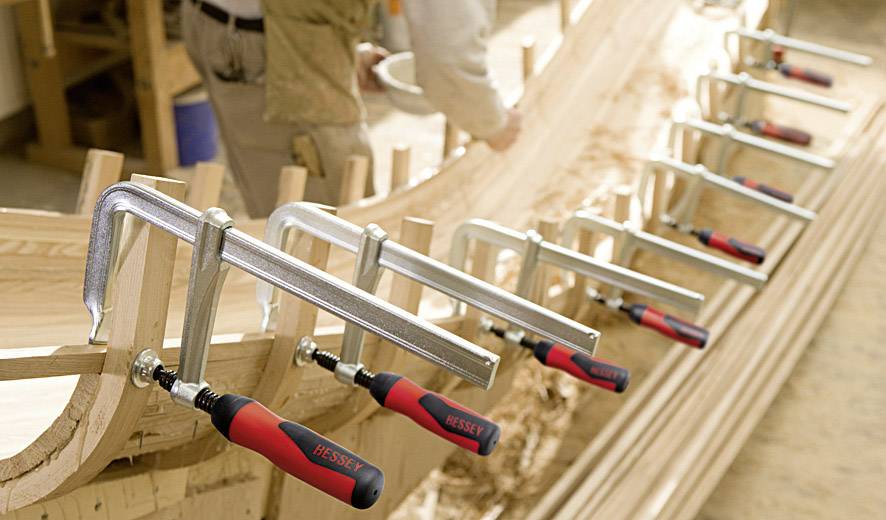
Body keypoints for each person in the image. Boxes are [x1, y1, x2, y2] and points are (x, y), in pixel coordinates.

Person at [181, 0, 521, 218]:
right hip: (265, 41)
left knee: (276, 198)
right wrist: (493, 123)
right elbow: (449, 61)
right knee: (329, 230)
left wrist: (334, 44)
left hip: (223, 20)